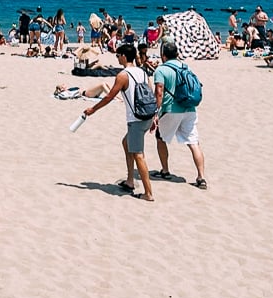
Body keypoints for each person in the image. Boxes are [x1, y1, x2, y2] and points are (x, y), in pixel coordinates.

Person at [81, 42, 155, 201]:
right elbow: (151, 93)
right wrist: (154, 116)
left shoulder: (123, 75)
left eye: (117, 55)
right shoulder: (142, 71)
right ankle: (130, 181)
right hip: (147, 116)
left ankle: (148, 193)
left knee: (138, 154)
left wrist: (93, 109)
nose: (117, 58)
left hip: (136, 119)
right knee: (126, 143)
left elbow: (109, 97)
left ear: (123, 56)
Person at [150, 41, 207, 189]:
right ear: (177, 53)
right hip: (189, 108)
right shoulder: (185, 66)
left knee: (160, 137)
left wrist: (156, 111)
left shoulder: (161, 70)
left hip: (171, 109)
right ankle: (201, 177)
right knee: (194, 143)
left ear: (163, 55)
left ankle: (165, 170)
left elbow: (159, 92)